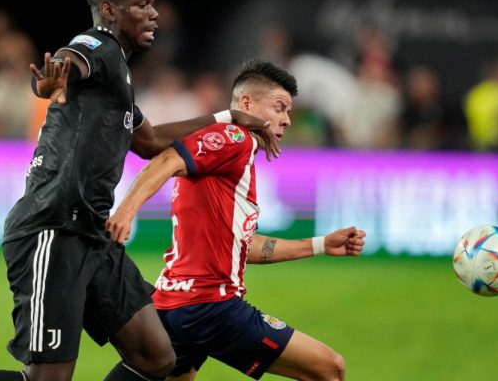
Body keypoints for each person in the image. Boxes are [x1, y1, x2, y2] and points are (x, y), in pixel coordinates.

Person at [0, 0, 278, 381]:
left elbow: (150, 141)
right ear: (109, 10)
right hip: (52, 229)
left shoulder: (118, 80)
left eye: (154, 3)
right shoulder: (101, 47)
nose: (154, 13)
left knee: (157, 356)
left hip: (92, 235)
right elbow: (73, 58)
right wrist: (53, 80)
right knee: (47, 379)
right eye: (141, 3)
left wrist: (226, 116)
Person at [106, 60, 367, 381]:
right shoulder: (235, 138)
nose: (286, 119)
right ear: (246, 104)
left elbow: (245, 246)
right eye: (279, 107)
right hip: (210, 306)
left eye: (289, 110)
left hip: (174, 307)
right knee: (330, 369)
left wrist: (320, 244)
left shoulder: (230, 162)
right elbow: (167, 160)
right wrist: (125, 211)